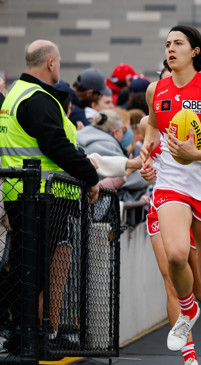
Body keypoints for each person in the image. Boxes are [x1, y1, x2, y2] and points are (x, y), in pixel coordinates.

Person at [140, 25, 201, 365]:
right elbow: (153, 126)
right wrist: (148, 151)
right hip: (172, 185)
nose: (170, 48)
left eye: (178, 43)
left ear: (195, 51)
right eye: (167, 44)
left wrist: (196, 154)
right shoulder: (155, 89)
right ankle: (187, 308)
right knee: (176, 255)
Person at [0, 40, 100, 345]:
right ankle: (20, 338)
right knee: (28, 272)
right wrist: (91, 176)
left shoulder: (15, 94)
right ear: (51, 64)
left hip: (24, 195)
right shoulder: (38, 98)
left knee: (26, 268)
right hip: (41, 197)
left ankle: (21, 337)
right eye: (59, 61)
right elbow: (55, 145)